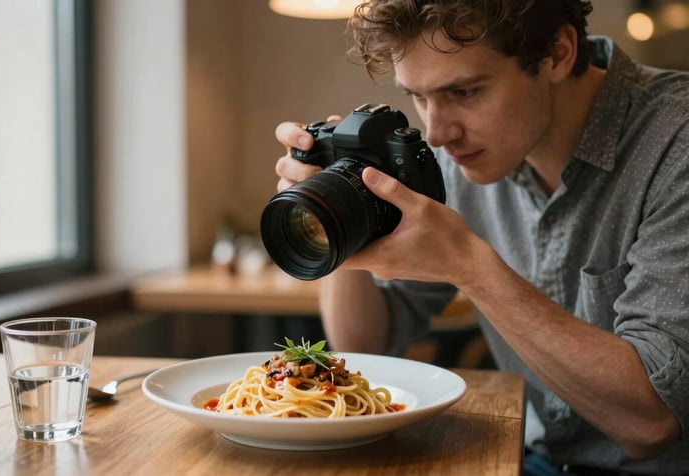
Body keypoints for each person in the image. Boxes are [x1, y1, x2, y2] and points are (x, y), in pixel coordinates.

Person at [272, 1, 689, 474]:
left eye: (465, 91)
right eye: (419, 97)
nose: (436, 132)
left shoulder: (676, 145)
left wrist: (468, 265)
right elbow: (366, 343)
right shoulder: (458, 153)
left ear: (558, 52)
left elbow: (652, 424)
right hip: (536, 460)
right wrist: (336, 215)